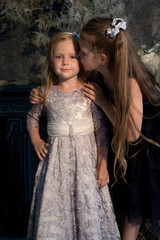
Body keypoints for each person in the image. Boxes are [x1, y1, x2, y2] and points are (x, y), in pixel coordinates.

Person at [29, 18, 160, 240]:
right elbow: (67, 86)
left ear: (101, 58)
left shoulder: (130, 82)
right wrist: (39, 93)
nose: (77, 56)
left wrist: (103, 102)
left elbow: (132, 134)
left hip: (144, 149)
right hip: (117, 146)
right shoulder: (96, 73)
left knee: (135, 205)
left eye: (81, 52)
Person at [26, 31, 120, 239]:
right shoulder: (45, 92)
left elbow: (101, 130)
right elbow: (32, 118)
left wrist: (102, 165)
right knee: (58, 208)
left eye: (72, 56)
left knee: (87, 206)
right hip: (56, 167)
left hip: (86, 165)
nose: (65, 62)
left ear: (81, 60)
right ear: (51, 61)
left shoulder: (90, 91)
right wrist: (36, 140)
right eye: (59, 57)